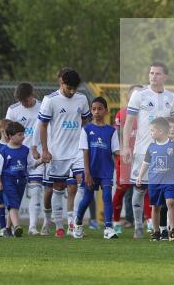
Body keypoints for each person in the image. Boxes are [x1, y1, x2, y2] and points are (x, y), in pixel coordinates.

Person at [121, 63, 174, 239]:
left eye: (157, 73)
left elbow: (172, 124)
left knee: (162, 193)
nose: (153, 76)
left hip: (164, 152)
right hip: (142, 150)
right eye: (151, 73)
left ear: (165, 77)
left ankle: (161, 228)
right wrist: (126, 146)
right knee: (139, 188)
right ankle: (138, 227)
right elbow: (129, 122)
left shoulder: (171, 96)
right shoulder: (139, 95)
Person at [39, 67, 92, 237]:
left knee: (81, 184)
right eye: (69, 88)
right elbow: (43, 125)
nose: (72, 91)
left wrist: (87, 146)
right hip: (58, 153)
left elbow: (85, 123)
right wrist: (45, 150)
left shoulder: (82, 99)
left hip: (77, 151)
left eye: (75, 88)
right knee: (58, 187)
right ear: (62, 83)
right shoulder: (50, 100)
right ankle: (59, 226)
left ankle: (74, 224)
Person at [74, 97, 120, 240]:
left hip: (106, 170)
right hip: (91, 171)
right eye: (93, 109)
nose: (96, 112)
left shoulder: (111, 131)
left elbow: (116, 151)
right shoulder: (86, 130)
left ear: (106, 111)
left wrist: (128, 154)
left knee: (107, 197)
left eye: (100, 109)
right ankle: (78, 224)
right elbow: (85, 152)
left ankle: (108, 228)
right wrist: (87, 173)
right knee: (87, 199)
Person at [5, 82, 47, 236]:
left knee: (36, 189)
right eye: (21, 101)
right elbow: (7, 134)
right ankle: (8, 227)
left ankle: (32, 227)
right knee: (13, 194)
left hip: (38, 155)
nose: (23, 103)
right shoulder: (13, 110)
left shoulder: (44, 107)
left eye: (26, 100)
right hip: (17, 157)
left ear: (32, 95)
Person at [136, 117, 174, 241]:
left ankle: (173, 229)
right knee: (156, 206)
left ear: (161, 131)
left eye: (152, 130)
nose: (151, 133)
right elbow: (146, 163)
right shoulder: (151, 147)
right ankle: (156, 231)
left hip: (169, 181)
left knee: (170, 202)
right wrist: (140, 176)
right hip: (154, 182)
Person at [0, 121, 31, 237]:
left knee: (14, 205)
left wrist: (41, 161)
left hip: (21, 181)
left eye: (23, 134)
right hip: (8, 181)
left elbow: (31, 164)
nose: (23, 136)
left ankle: (7, 229)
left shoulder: (25, 150)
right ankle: (17, 226)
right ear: (10, 136)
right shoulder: (3, 151)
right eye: (20, 134)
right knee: (13, 205)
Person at [113, 85, 142, 234]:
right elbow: (116, 136)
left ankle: (148, 222)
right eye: (134, 94)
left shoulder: (147, 113)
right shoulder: (121, 113)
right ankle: (116, 221)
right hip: (125, 158)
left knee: (144, 188)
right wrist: (119, 154)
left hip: (142, 157)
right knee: (121, 189)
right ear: (129, 97)